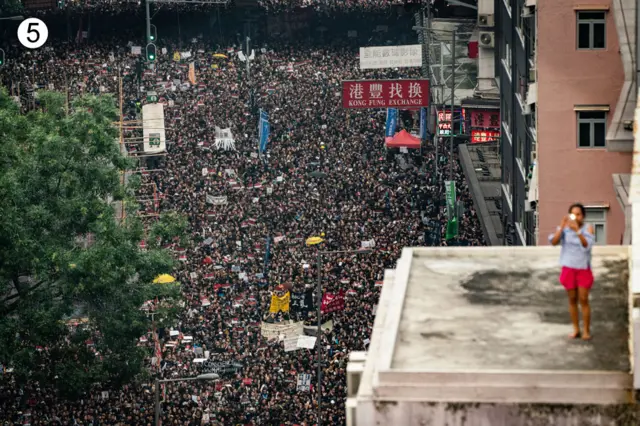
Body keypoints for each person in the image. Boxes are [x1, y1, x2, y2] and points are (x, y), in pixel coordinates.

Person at [549, 203, 595, 340]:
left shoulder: (588, 228)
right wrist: (562, 227)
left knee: (584, 299)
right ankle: (576, 329)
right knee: (572, 299)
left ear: (583, 216)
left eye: (579, 214)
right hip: (569, 267)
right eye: (573, 214)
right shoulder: (565, 229)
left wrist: (578, 231)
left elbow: (587, 246)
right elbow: (554, 242)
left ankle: (586, 330)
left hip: (583, 268)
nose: (576, 217)